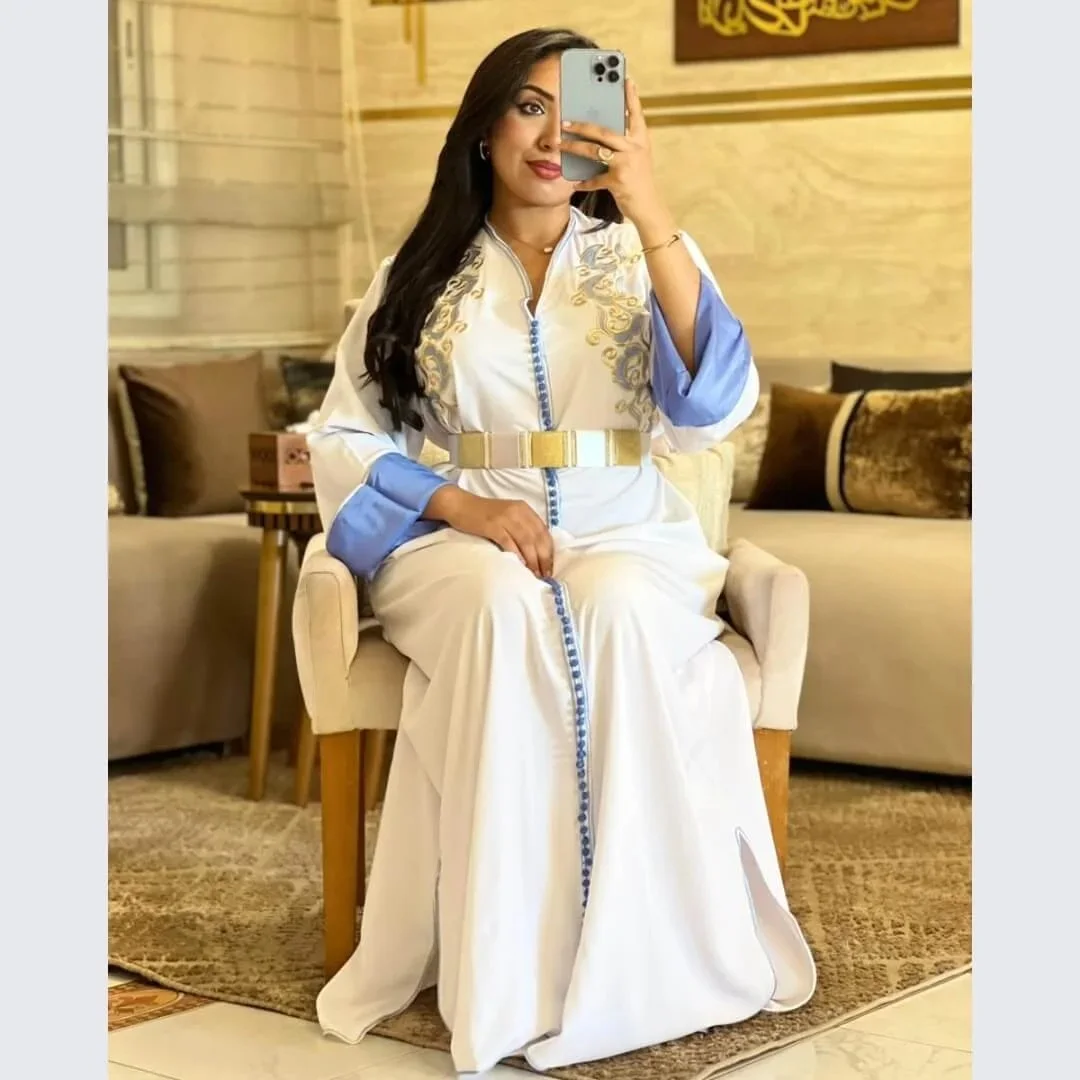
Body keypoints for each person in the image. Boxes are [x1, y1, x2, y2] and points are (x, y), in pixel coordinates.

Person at [309, 26, 816, 1075]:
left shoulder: (642, 255)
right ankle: (506, 978)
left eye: (574, 109)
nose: (550, 137)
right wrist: (455, 503)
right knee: (500, 607)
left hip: (626, 526)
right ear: (484, 125)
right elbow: (343, 436)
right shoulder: (418, 272)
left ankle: (635, 961)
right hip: (461, 533)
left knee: (619, 607)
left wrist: (649, 205)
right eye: (527, 106)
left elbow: (713, 404)